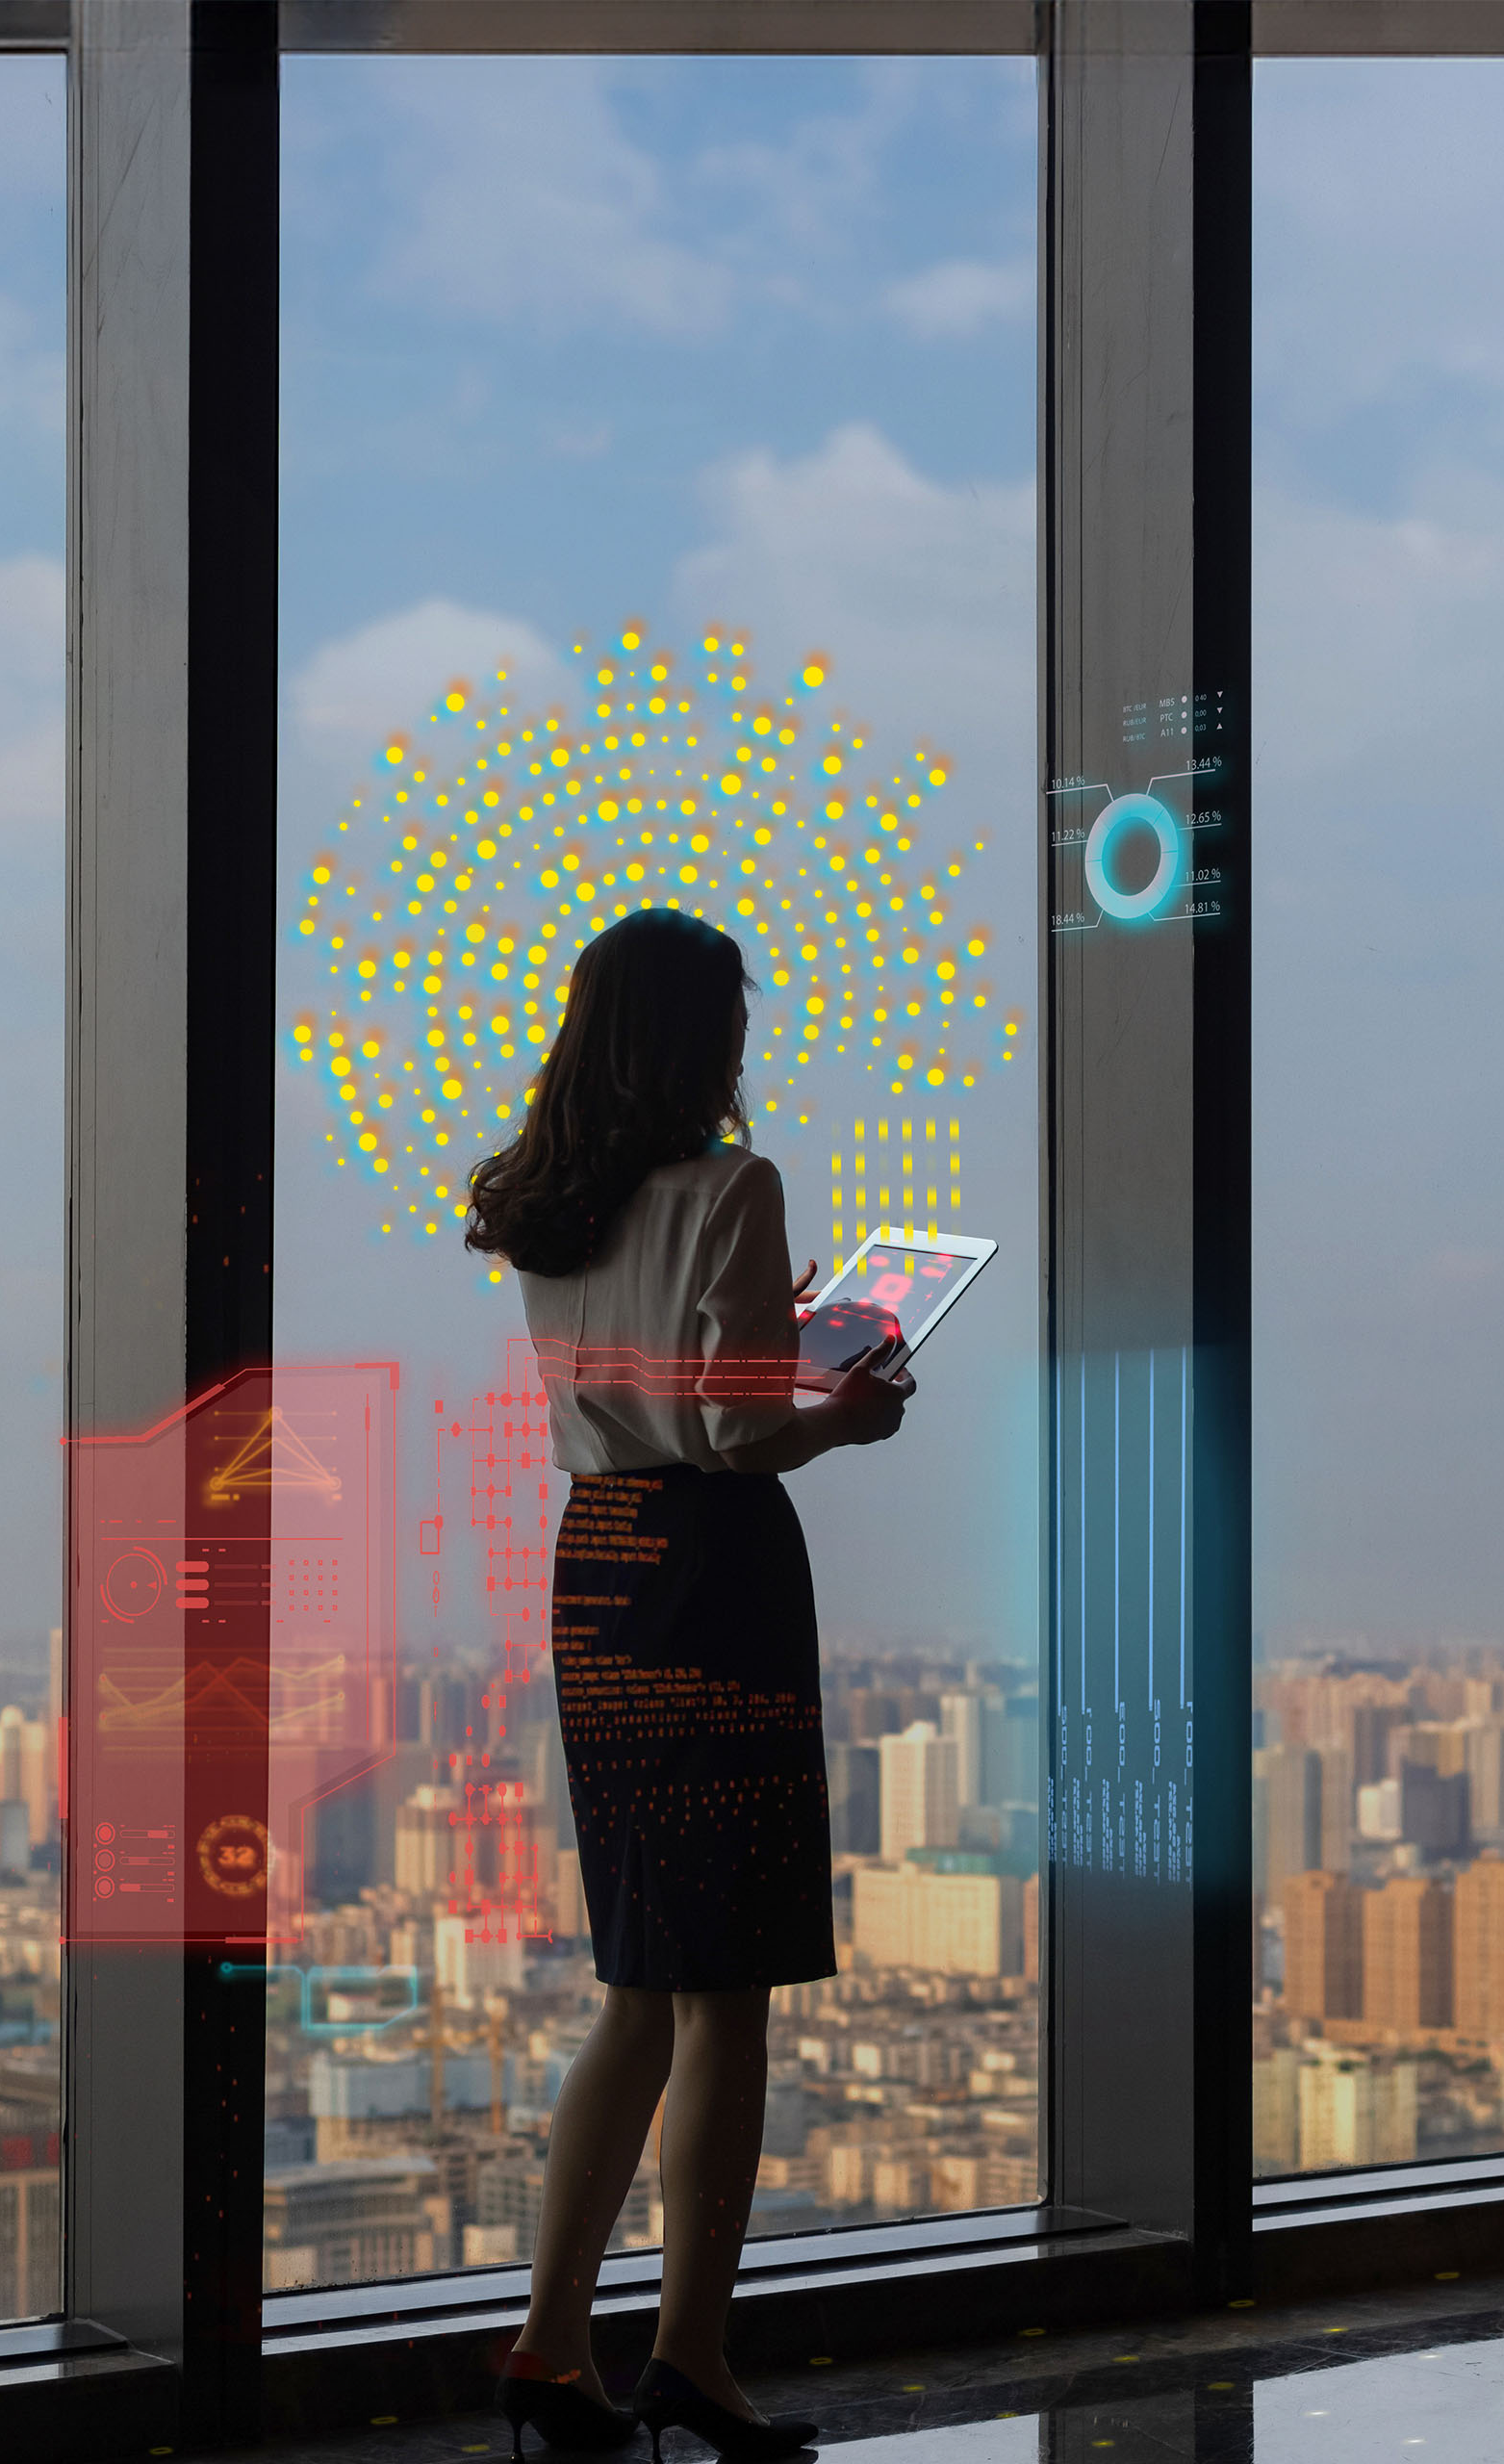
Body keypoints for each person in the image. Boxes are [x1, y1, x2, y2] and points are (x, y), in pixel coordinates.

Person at [465, 908, 911, 2463]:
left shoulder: (547, 1205)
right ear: (702, 1035)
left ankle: (545, 2345)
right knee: (729, 1997)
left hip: (599, 1563)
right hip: (714, 1574)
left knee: (642, 1982)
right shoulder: (735, 1186)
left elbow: (655, 1384)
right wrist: (841, 1411)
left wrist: (758, 1341)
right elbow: (729, 1432)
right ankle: (693, 2361)